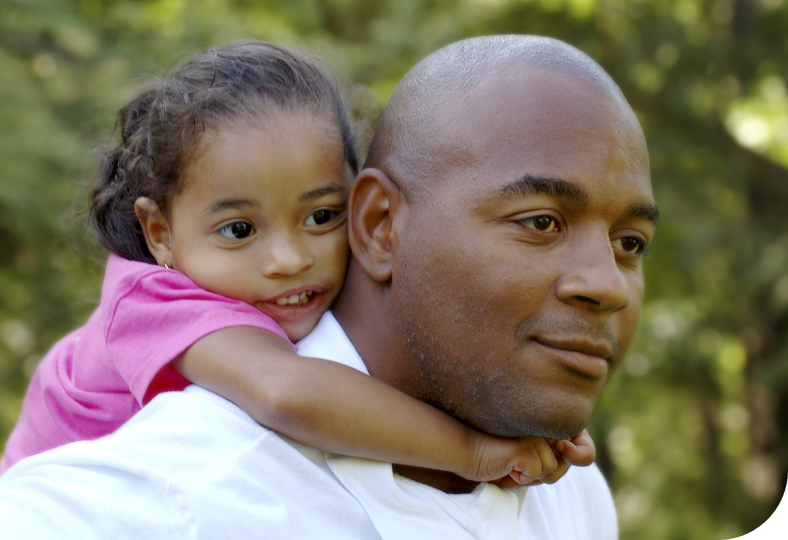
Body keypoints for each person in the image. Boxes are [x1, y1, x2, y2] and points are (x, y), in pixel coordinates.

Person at [0, 34, 658, 539]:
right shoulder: (130, 503)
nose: (609, 285)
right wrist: (475, 454)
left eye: (631, 245)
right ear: (377, 225)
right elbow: (287, 392)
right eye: (540, 222)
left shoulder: (571, 497)